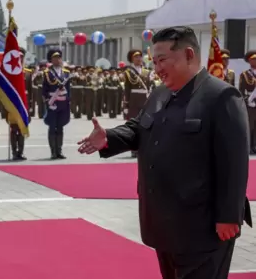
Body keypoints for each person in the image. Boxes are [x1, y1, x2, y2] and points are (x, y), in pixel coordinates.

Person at [78, 26, 252, 279]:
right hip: (164, 221)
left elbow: (234, 164)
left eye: (162, 60)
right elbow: (139, 127)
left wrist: (229, 215)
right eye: (154, 61)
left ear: (189, 54)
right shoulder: (160, 93)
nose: (157, 68)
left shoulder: (222, 96)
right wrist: (109, 138)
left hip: (202, 226)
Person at [42, 48, 71, 159]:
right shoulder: (47, 73)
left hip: (63, 104)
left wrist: (69, 102)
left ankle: (59, 151)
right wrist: (47, 103)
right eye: (55, 58)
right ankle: (53, 152)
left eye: (59, 58)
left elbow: (68, 90)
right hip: (52, 103)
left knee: (60, 127)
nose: (57, 60)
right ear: (51, 60)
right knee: (52, 127)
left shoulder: (67, 73)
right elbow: (44, 90)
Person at [239, 50, 256, 154]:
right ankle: (249, 146)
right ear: (249, 61)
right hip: (250, 103)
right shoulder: (245, 75)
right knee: (250, 126)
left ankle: (255, 145)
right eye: (254, 59)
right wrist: (247, 101)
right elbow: (241, 90)